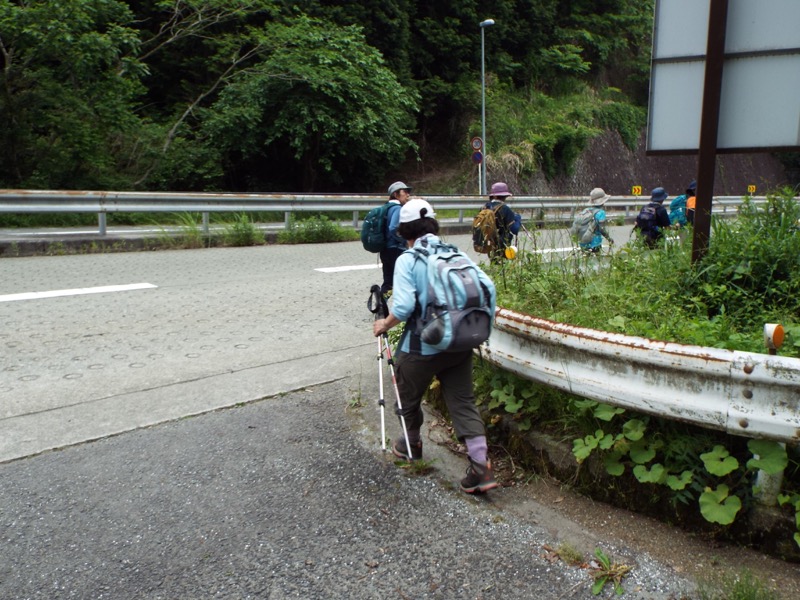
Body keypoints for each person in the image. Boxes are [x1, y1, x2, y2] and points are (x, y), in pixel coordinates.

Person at [372, 198, 499, 494]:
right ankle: (480, 467)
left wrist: (383, 325)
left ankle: (411, 444)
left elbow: (403, 308)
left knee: (406, 395)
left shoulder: (408, 259)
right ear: (433, 225)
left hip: (423, 346)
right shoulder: (454, 254)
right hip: (459, 345)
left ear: (403, 232)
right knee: (464, 402)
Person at [380, 181, 412, 295]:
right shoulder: (397, 208)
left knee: (389, 281)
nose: (408, 195)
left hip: (386, 249)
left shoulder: (387, 207)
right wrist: (405, 241)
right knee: (403, 280)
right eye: (405, 192)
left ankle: (380, 306)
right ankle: (405, 307)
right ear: (395, 194)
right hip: (395, 249)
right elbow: (393, 228)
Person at [482, 182, 522, 261]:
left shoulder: (485, 207)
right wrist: (517, 219)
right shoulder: (505, 209)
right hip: (502, 243)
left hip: (489, 241)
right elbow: (514, 230)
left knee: (494, 261)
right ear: (505, 196)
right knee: (502, 264)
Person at [579, 188, 614, 254]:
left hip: (583, 241)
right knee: (596, 261)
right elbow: (601, 229)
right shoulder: (601, 213)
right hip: (595, 243)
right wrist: (609, 238)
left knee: (586, 261)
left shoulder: (586, 210)